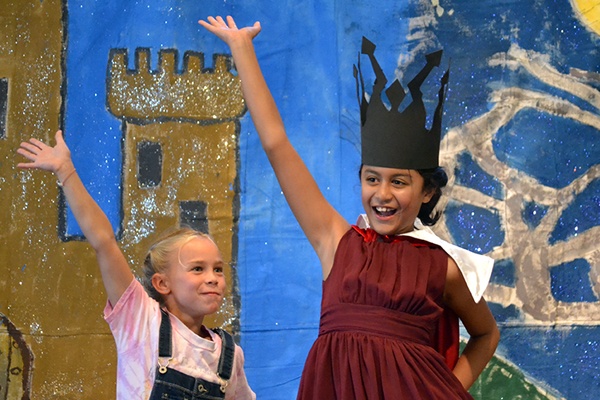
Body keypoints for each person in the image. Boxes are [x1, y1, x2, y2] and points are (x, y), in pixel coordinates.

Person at [199, 15, 500, 400]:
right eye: (372, 178)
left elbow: (486, 333)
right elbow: (276, 145)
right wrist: (242, 50)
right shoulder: (337, 241)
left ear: (427, 192)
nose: (382, 194)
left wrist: (445, 391)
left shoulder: (444, 266)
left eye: (399, 181)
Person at [17, 130, 255, 400]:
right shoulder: (141, 319)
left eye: (218, 269)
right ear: (162, 283)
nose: (212, 278)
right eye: (197, 269)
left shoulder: (229, 355)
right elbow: (104, 241)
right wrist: (65, 171)